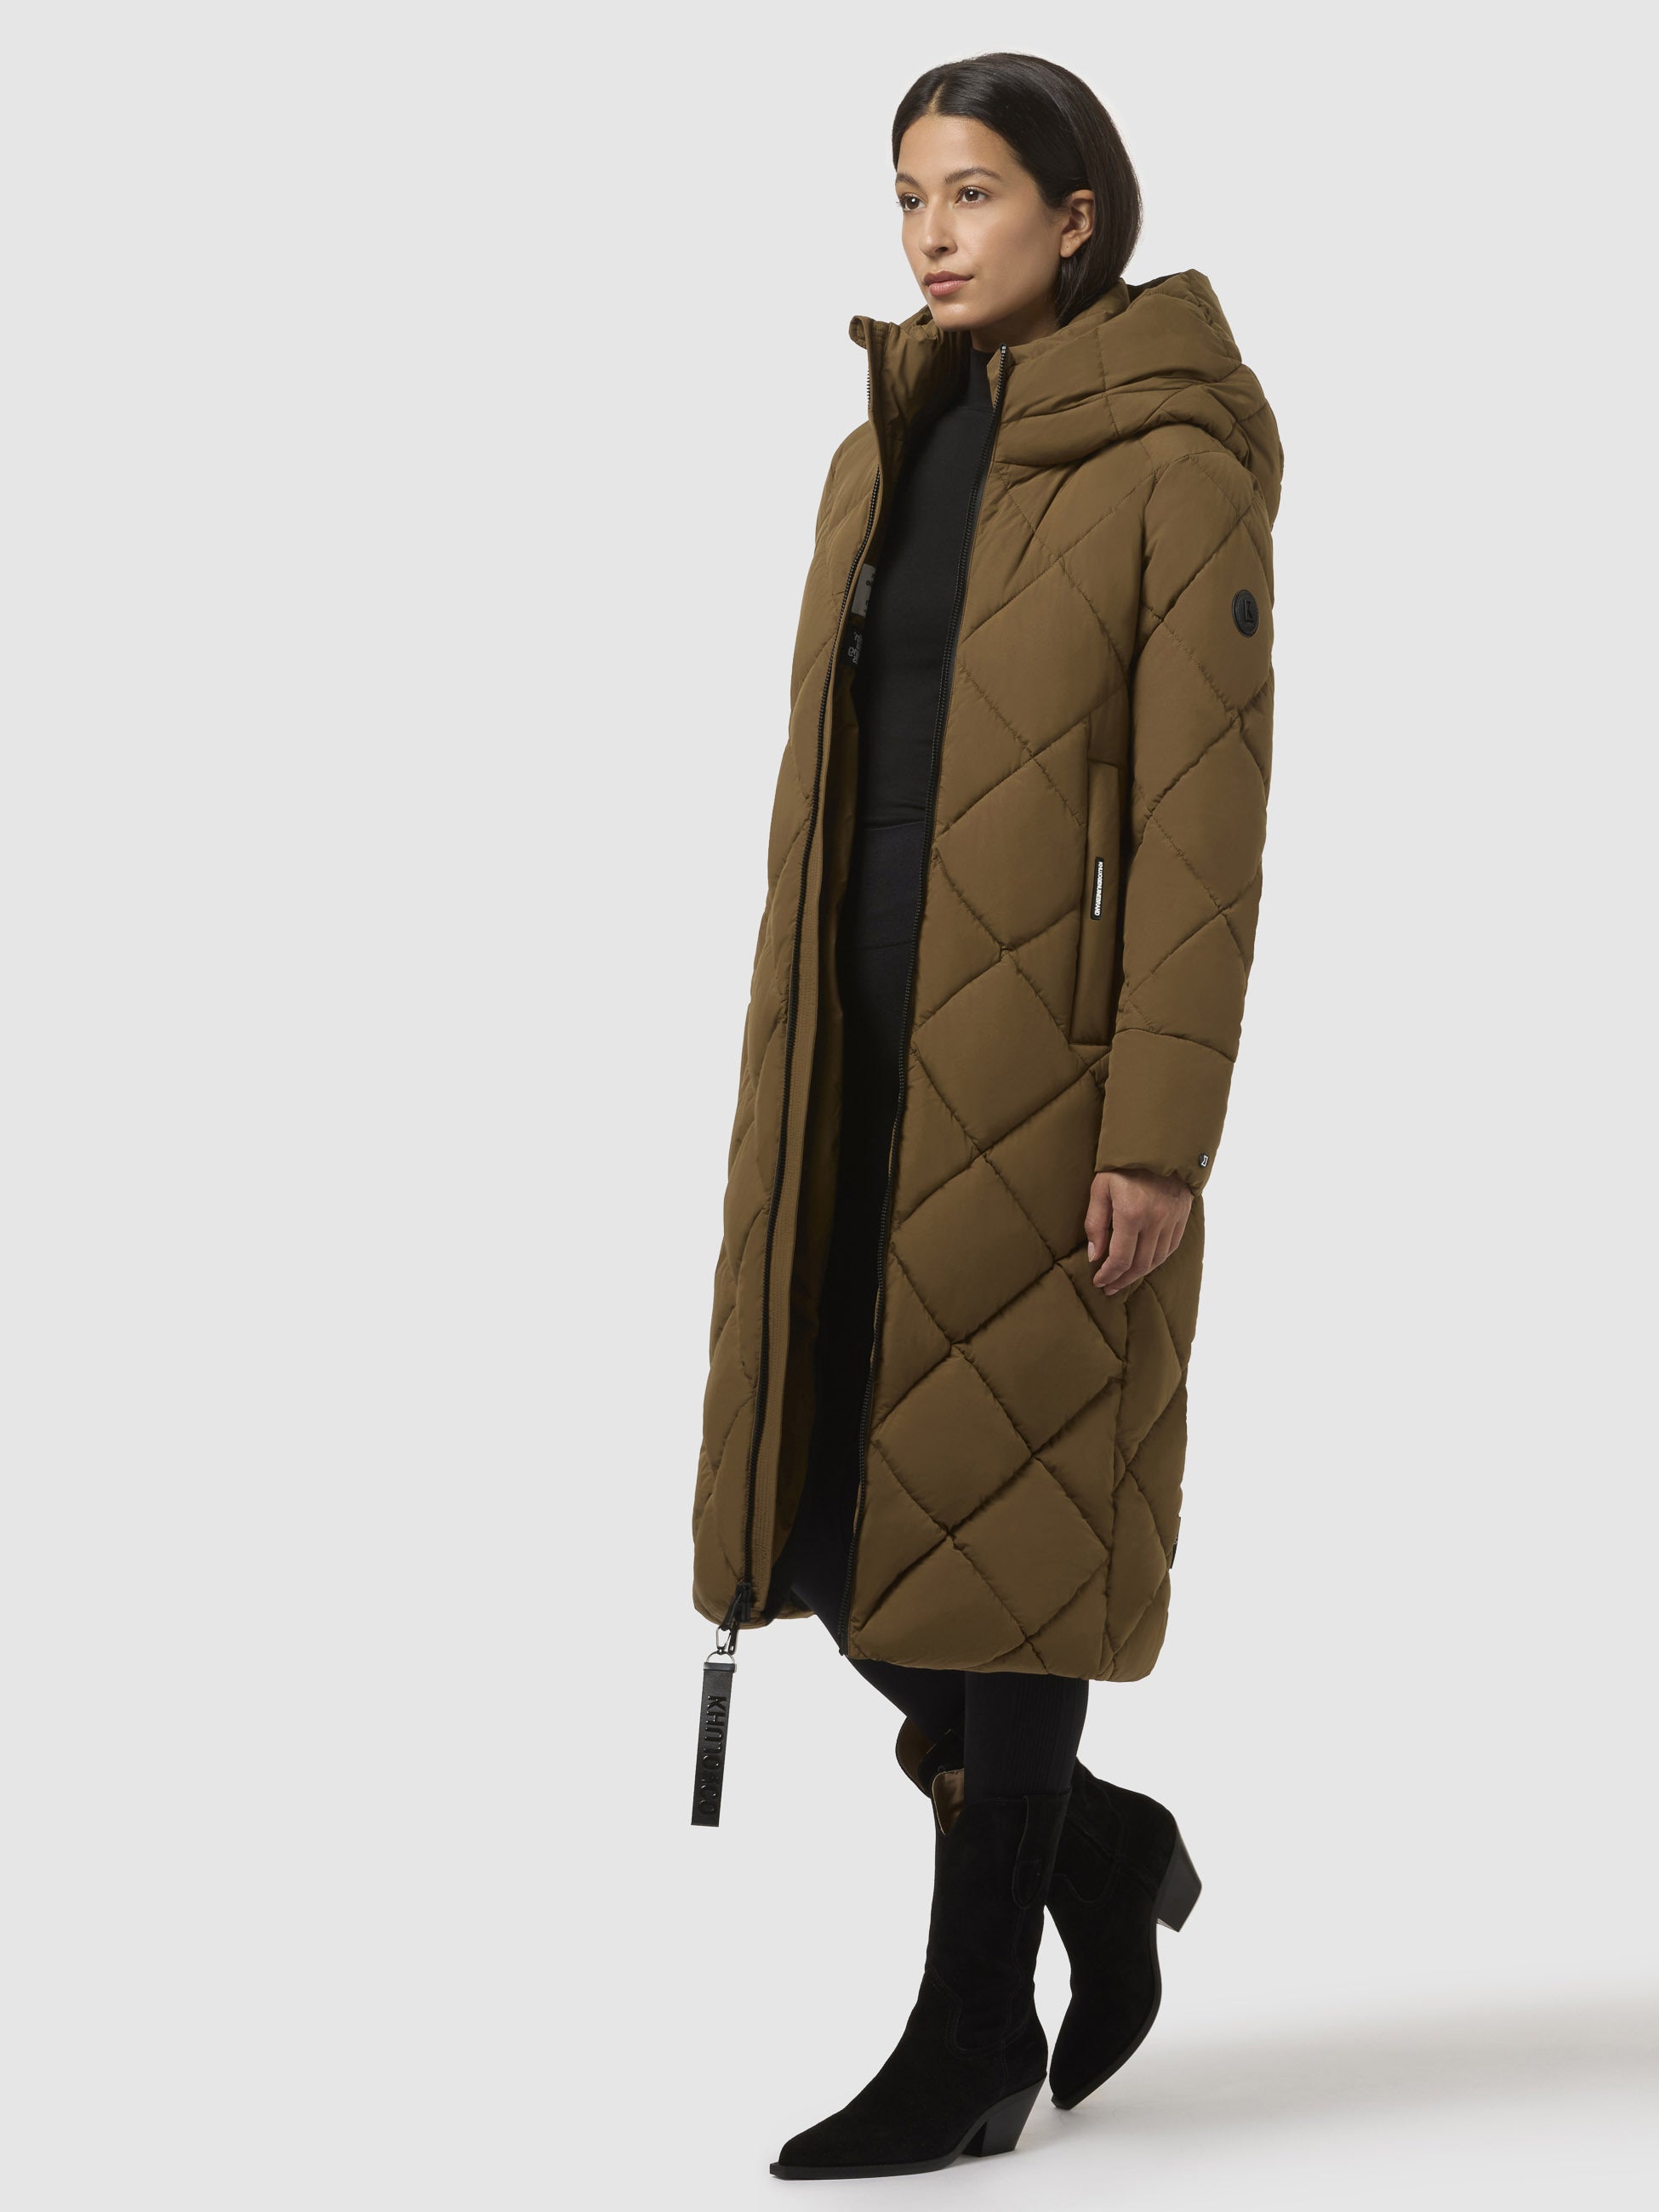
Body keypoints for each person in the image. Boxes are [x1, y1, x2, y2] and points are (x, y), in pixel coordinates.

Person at [690, 48, 1282, 2181]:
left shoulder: (1174, 465)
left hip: (1049, 1079)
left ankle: (972, 2029)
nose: (933, 235)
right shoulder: (881, 452)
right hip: (851, 1057)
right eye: (909, 197)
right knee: (828, 1527)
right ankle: (1097, 1850)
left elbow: (1205, 824)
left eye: (974, 194)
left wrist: (1158, 1126)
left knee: (1008, 1544)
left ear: (1076, 215)